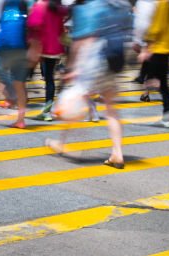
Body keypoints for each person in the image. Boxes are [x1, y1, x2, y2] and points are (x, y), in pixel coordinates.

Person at [46, 0, 130, 167]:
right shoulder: (107, 4)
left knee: (73, 102)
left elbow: (79, 42)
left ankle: (61, 143)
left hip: (92, 59)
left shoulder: (82, 7)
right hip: (112, 58)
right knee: (111, 108)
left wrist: (71, 68)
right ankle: (117, 153)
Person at [134, 0, 169, 128]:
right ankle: (167, 116)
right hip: (166, 47)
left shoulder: (162, 3)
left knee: (155, 79)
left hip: (158, 48)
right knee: (164, 84)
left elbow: (156, 27)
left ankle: (147, 83)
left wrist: (147, 46)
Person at [27, 0, 67, 121]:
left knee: (24, 75)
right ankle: (47, 111)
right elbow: (61, 30)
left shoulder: (40, 5)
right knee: (49, 78)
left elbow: (33, 24)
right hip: (54, 48)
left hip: (41, 46)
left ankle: (20, 105)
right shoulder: (57, 7)